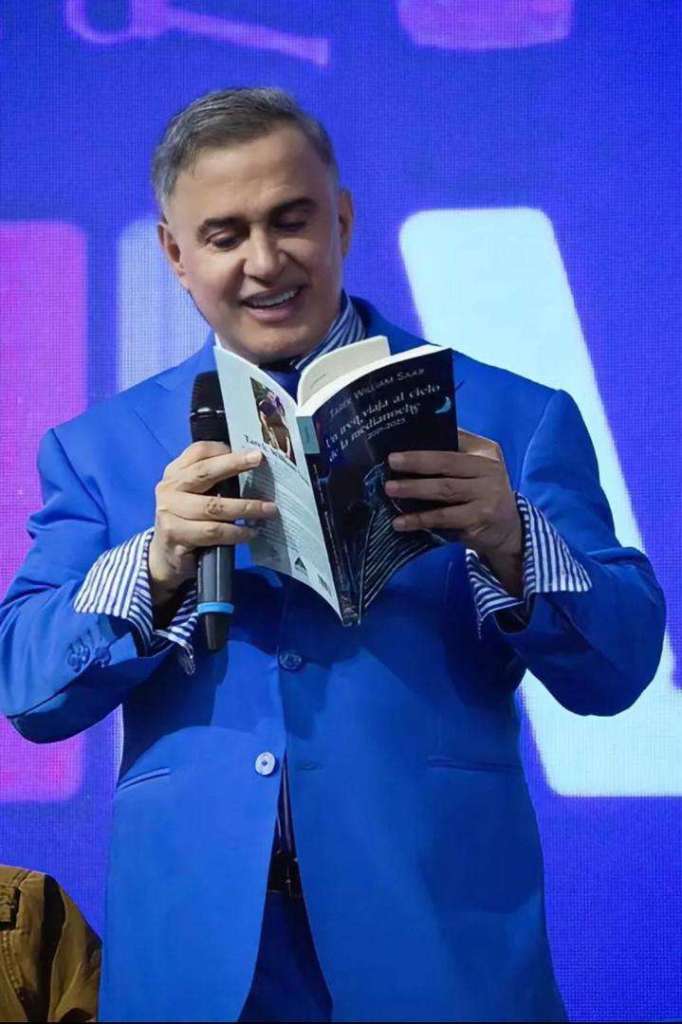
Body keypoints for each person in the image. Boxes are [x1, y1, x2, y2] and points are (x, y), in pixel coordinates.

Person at [0, 88, 665, 1023]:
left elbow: (621, 667)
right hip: (200, 960)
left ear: (342, 220)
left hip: (439, 944)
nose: (265, 261)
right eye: (224, 235)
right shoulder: (98, 448)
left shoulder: (511, 415)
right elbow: (28, 689)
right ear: (174, 256)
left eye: (291, 220)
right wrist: (154, 564)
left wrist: (515, 539)